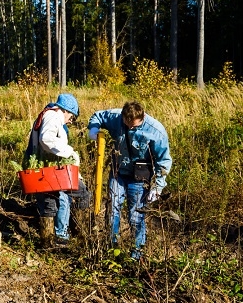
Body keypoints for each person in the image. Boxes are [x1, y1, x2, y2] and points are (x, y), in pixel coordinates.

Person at [88, 101, 172, 260]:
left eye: (134, 126)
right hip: (118, 172)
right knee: (113, 208)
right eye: (127, 125)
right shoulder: (115, 117)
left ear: (142, 118)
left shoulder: (155, 130)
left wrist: (158, 187)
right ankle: (111, 248)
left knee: (136, 215)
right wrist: (93, 129)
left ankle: (136, 253)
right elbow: (98, 116)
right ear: (123, 117)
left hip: (140, 178)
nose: (130, 128)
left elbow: (164, 161)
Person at [25, 93, 80, 247]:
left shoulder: (49, 114)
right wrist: (68, 151)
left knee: (54, 201)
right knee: (60, 199)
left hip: (47, 167)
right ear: (66, 111)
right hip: (48, 168)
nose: (70, 121)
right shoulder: (53, 116)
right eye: (72, 117)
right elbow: (46, 139)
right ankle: (59, 236)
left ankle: (54, 237)